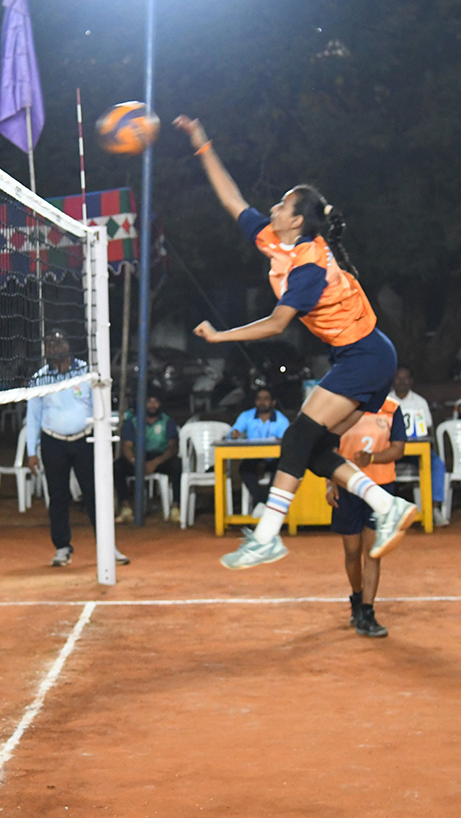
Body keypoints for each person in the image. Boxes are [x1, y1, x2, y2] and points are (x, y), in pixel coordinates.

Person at [173, 114, 416, 569]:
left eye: (283, 205)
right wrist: (202, 142)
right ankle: (388, 507)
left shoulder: (308, 266)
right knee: (315, 446)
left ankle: (268, 536)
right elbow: (231, 199)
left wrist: (220, 335)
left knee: (298, 436)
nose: (274, 209)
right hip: (365, 356)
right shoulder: (275, 240)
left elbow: (276, 324)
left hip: (365, 356)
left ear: (298, 219)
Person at [27, 330, 129, 567]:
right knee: (58, 496)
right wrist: (31, 451)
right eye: (49, 344)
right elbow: (33, 417)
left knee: (96, 494)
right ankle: (62, 548)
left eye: (58, 342)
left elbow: (98, 409)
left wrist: (103, 441)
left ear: (67, 344)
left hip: (84, 439)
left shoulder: (86, 373)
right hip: (53, 441)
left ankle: (108, 547)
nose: (54, 347)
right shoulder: (39, 378)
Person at [327, 398, 407, 638]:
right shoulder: (343, 407)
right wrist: (330, 484)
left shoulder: (392, 409)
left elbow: (398, 448)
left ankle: (367, 612)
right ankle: (357, 597)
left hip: (379, 487)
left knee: (372, 552)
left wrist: (372, 458)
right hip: (347, 485)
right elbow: (330, 450)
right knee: (352, 550)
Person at [388, 365, 449, 526]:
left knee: (436, 464)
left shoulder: (419, 402)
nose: (401, 382)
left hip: (416, 450)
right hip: (392, 450)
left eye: (405, 378)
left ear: (411, 381)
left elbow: (427, 428)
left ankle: (433, 508)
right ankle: (384, 511)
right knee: (378, 465)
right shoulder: (386, 401)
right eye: (398, 378)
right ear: (393, 380)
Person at [114, 392, 182, 523]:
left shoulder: (167, 421)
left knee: (177, 465)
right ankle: (126, 507)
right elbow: (127, 446)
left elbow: (173, 447)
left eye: (155, 402)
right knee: (118, 466)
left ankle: (175, 507)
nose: (152, 405)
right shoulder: (133, 421)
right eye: (149, 402)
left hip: (160, 458)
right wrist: (136, 462)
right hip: (138, 457)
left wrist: (156, 462)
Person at [228, 387, 290, 516]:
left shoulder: (281, 420)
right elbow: (233, 432)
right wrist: (234, 433)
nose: (262, 402)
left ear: (273, 402)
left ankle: (261, 503)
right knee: (244, 469)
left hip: (273, 458)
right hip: (254, 457)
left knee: (280, 471)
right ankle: (263, 502)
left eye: (266, 399)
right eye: (259, 399)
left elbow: (286, 441)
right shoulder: (246, 416)